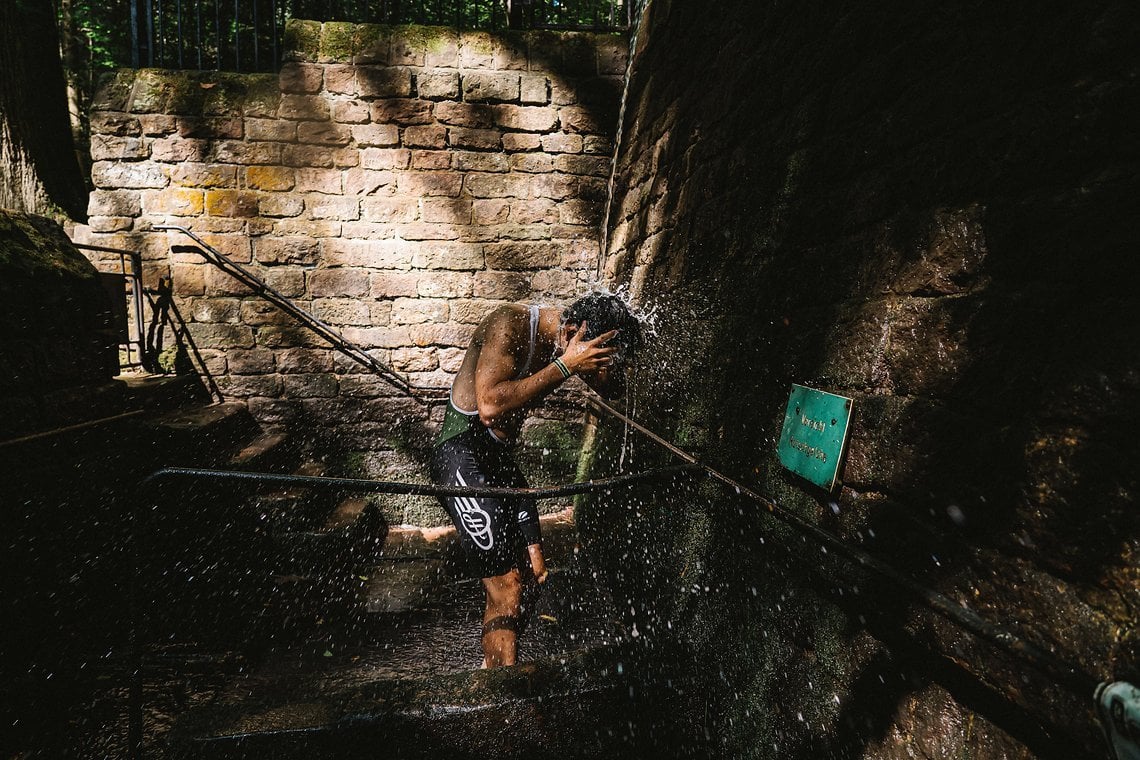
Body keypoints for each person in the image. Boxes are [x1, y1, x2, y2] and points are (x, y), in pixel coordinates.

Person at [430, 293, 641, 668]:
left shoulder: (564, 344)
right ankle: (498, 702)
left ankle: (493, 670)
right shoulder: (509, 325)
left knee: (533, 574)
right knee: (507, 586)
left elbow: (613, 387)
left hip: (500, 465)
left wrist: (592, 362)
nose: (605, 373)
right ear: (574, 333)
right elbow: (491, 406)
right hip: (460, 457)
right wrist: (568, 365)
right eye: (603, 361)